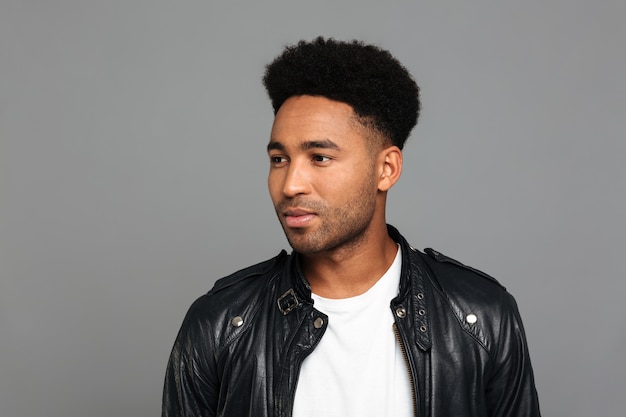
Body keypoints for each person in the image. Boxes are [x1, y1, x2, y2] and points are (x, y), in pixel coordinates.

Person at [162, 37, 541, 417]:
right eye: (279, 159)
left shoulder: (480, 318)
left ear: (386, 169)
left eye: (320, 157)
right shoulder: (220, 325)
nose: (291, 184)